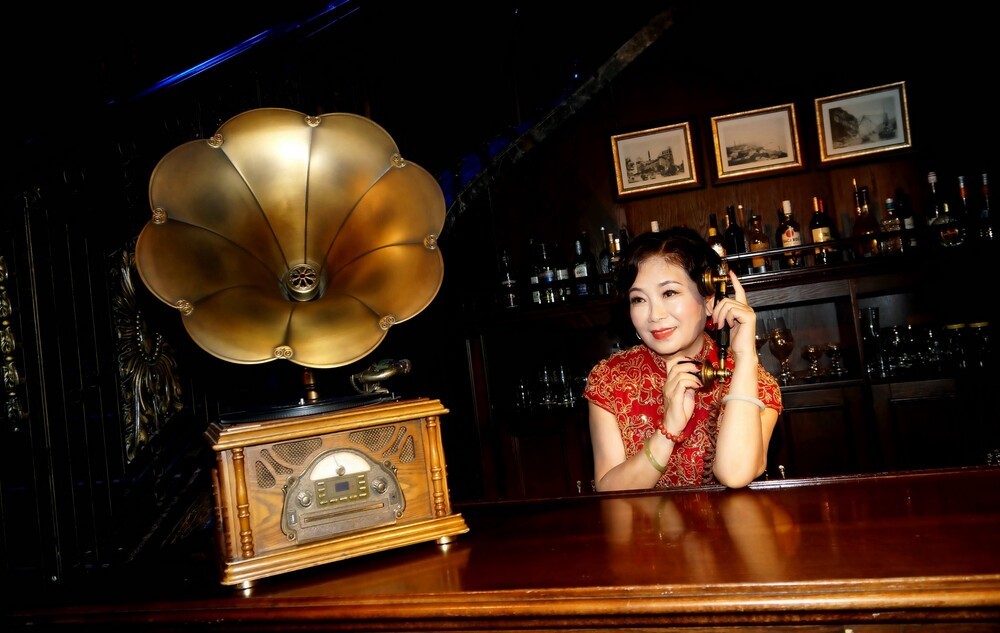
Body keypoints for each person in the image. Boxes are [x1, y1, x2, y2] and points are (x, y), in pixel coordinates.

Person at [585, 227, 781, 491]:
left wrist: (745, 357)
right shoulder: (610, 379)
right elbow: (609, 491)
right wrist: (668, 431)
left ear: (709, 299)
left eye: (669, 293)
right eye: (639, 299)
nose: (655, 315)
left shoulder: (753, 381)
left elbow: (735, 474)